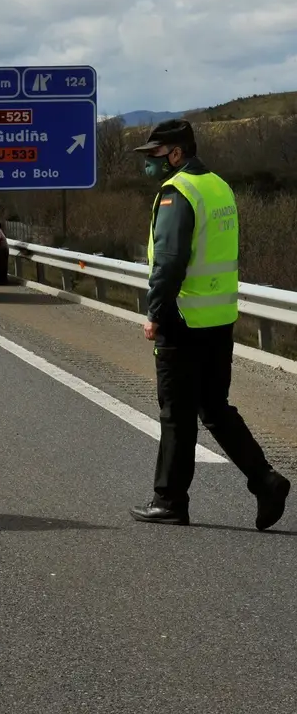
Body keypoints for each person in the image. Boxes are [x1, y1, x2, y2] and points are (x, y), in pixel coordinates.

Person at [129, 118, 290, 530]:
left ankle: (169, 502)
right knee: (215, 408)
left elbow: (168, 263)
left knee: (176, 415)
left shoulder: (177, 193)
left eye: (155, 155)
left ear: (176, 153)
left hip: (183, 320)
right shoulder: (219, 186)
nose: (150, 163)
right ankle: (265, 480)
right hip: (219, 320)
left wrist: (155, 313)